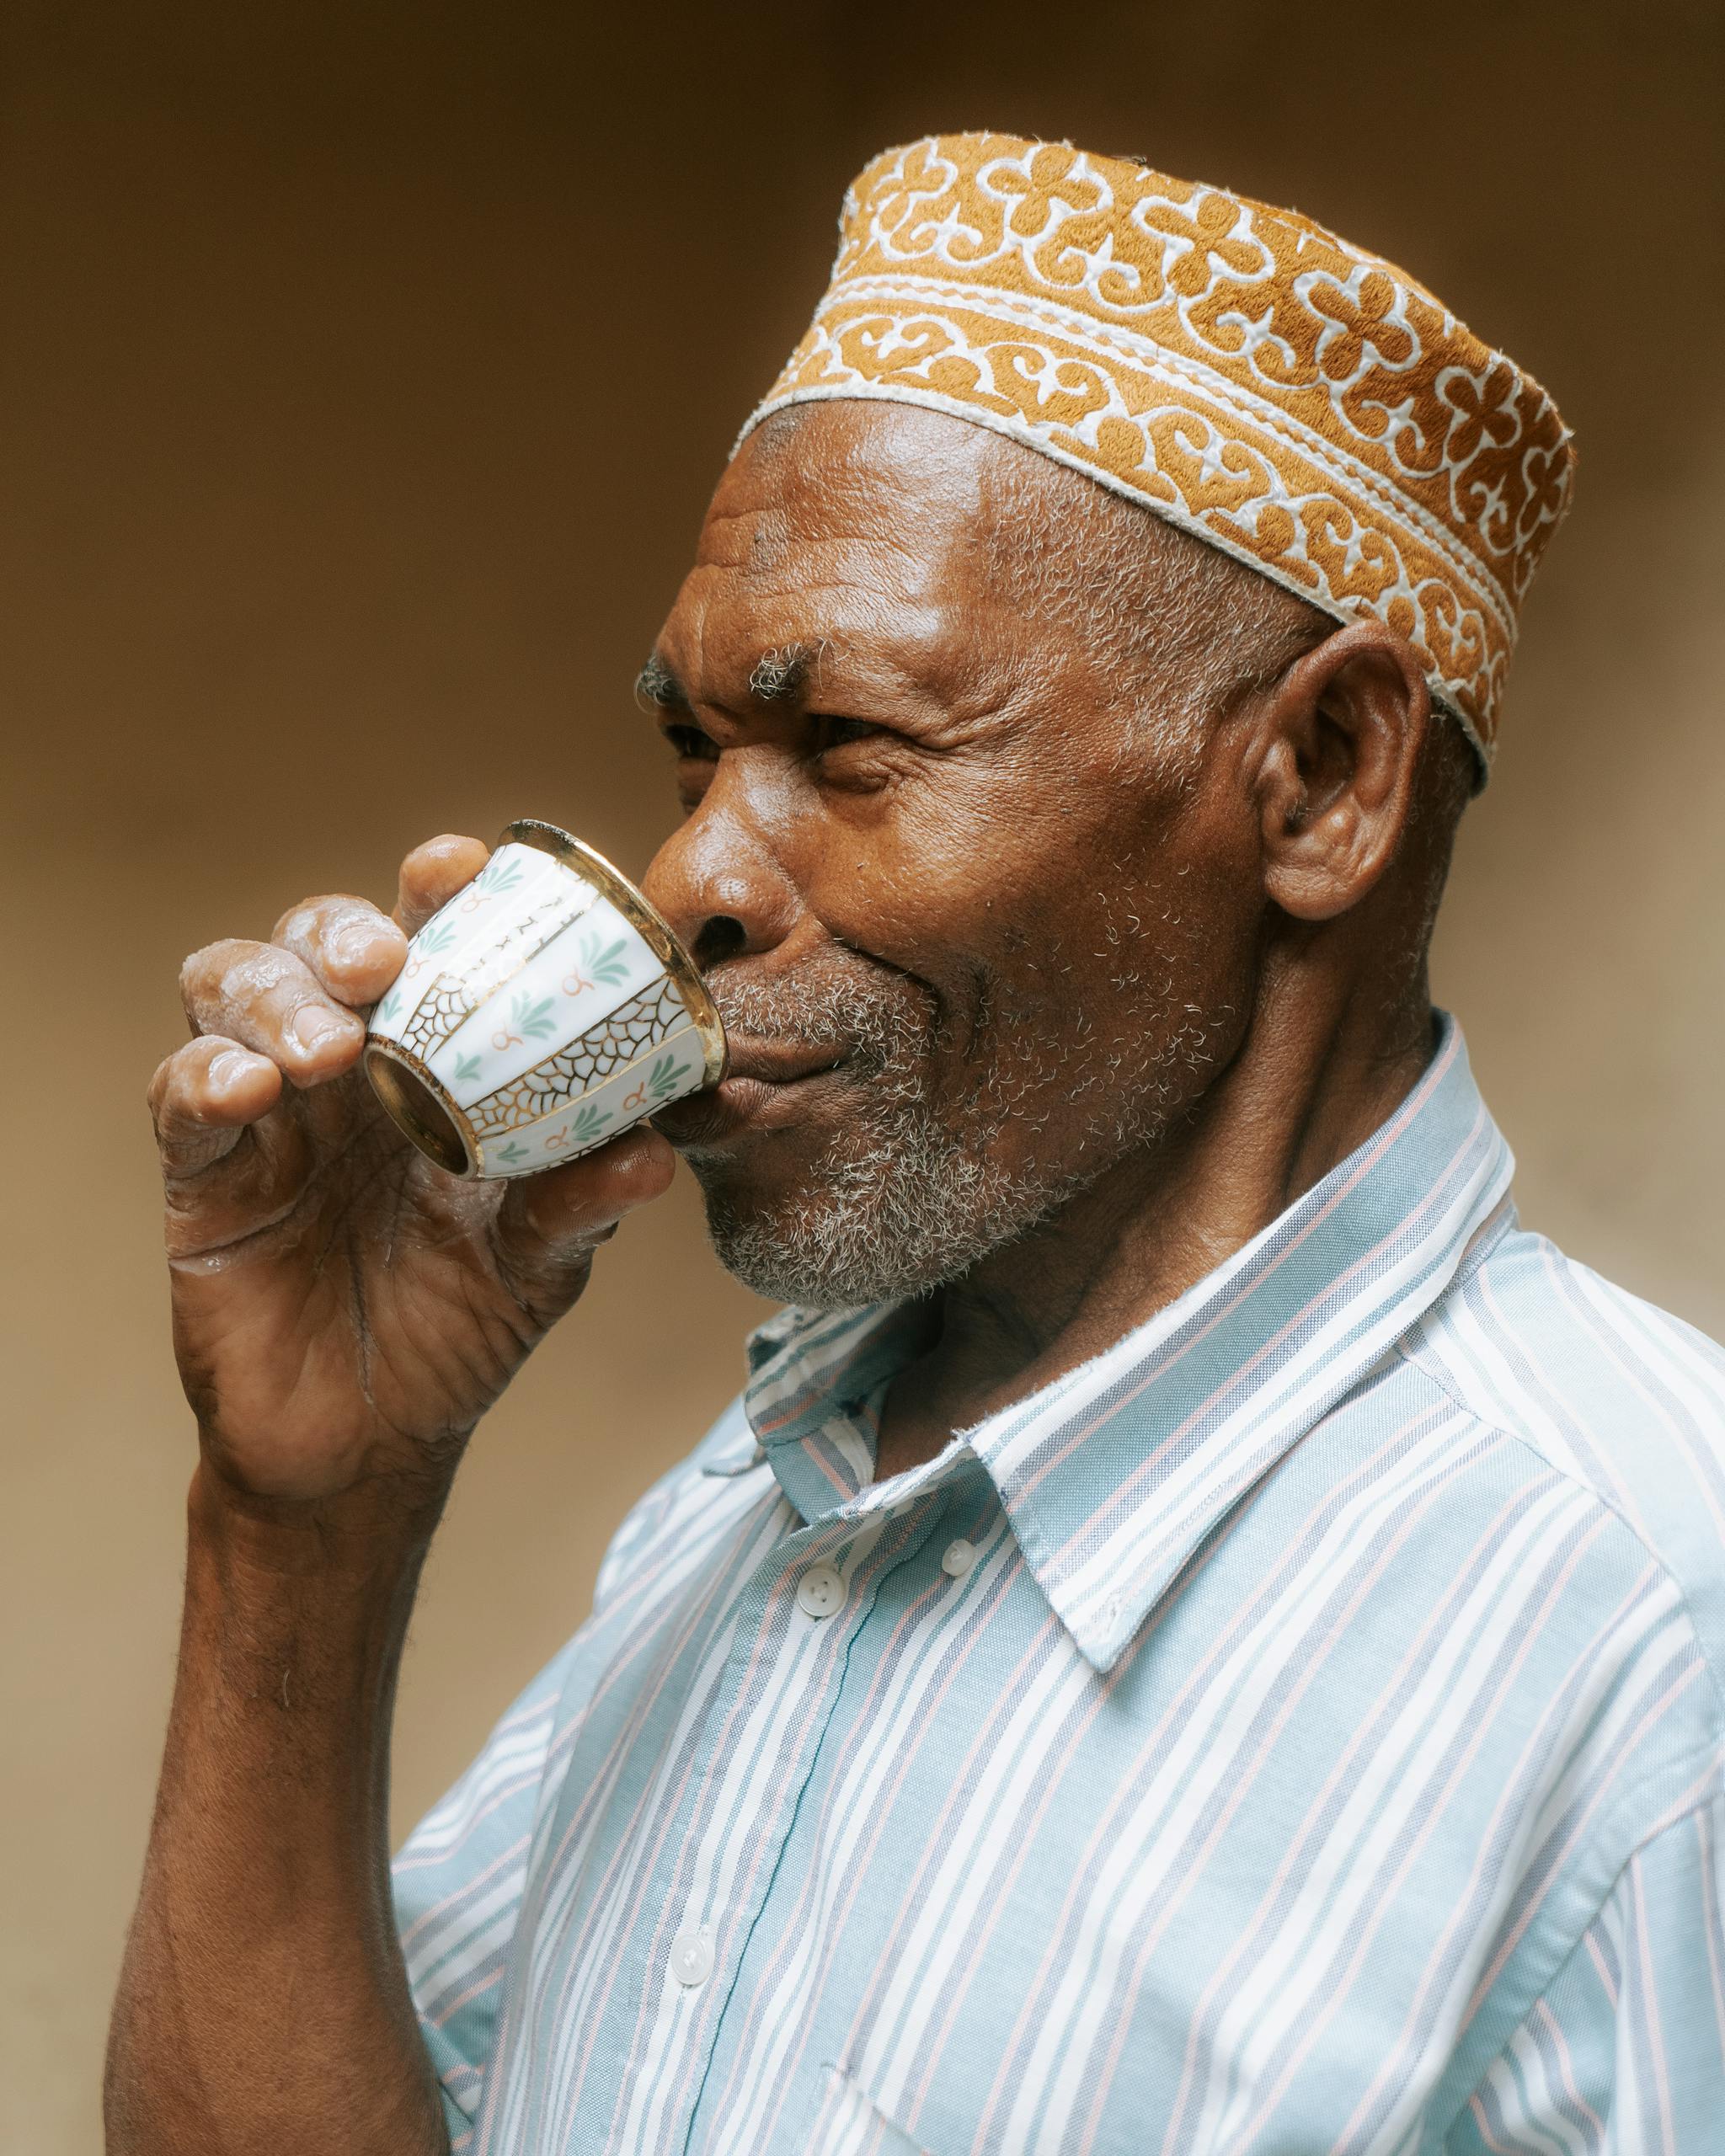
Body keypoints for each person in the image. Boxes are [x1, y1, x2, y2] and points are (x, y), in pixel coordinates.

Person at [106, 134, 1725, 2155]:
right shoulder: (775, 1489)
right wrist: (306, 1519)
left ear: (1318, 781)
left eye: (850, 745)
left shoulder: (1654, 1624)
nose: (691, 867)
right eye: (694, 752)